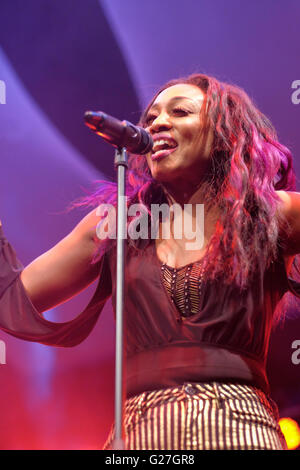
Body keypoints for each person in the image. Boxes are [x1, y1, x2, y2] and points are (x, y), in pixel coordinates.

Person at [0, 73, 300, 450]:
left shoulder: (269, 215)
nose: (158, 122)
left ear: (225, 134)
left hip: (239, 425)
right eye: (152, 116)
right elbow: (12, 297)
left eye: (180, 112)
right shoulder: (117, 224)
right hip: (141, 433)